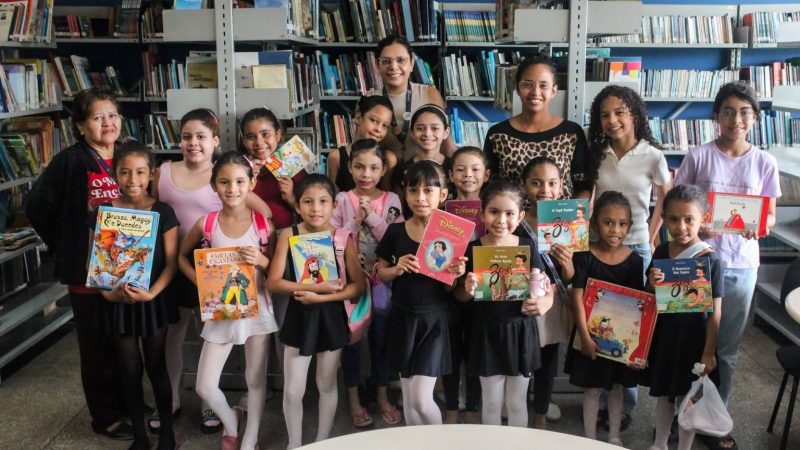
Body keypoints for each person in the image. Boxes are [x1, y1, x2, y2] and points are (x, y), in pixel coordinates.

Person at [673, 81, 780, 450]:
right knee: (691, 344)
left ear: (754, 117)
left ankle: (715, 423)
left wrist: (757, 227)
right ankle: (682, 416)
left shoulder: (765, 162)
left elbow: (769, 219)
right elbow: (677, 205)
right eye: (729, 111)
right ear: (716, 116)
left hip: (740, 266)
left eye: (745, 112)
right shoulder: (698, 157)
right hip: (698, 261)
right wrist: (696, 223)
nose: (737, 119)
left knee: (726, 351)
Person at [25, 88, 134, 440]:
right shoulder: (71, 161)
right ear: (81, 126)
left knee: (124, 340)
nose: (108, 123)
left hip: (127, 265)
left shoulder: (126, 155)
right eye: (98, 117)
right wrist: (65, 243)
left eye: (113, 115)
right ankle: (107, 416)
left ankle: (128, 402)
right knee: (97, 345)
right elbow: (36, 205)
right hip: (89, 271)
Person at [153, 108, 271, 434]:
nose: (194, 143)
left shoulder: (235, 190)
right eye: (187, 136)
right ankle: (176, 400)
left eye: (201, 137)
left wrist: (262, 254)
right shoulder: (164, 173)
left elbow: (265, 220)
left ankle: (217, 412)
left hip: (234, 285)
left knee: (226, 350)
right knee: (176, 336)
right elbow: (152, 215)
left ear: (214, 141)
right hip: (188, 270)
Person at [178, 151, 279, 450]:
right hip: (220, 310)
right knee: (204, 384)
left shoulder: (263, 226)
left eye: (239, 181)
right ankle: (232, 422)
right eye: (224, 182)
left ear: (250, 184)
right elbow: (182, 257)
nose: (232, 188)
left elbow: (276, 269)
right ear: (214, 185)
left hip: (256, 309)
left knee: (255, 379)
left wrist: (261, 259)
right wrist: (199, 281)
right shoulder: (207, 224)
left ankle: (250, 436)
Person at [587, 84, 671, 428]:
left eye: (620, 112)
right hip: (598, 245)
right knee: (600, 320)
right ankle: (599, 393)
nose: (612, 120)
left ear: (635, 113)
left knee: (631, 325)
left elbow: (665, 198)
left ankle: (624, 404)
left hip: (636, 246)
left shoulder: (652, 155)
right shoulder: (597, 153)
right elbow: (589, 199)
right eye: (605, 115)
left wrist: (650, 237)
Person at [267, 174, 366, 449]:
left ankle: (322, 442)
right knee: (293, 389)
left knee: (326, 383)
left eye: (323, 201)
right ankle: (294, 444)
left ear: (335, 205)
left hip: (331, 317)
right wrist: (310, 290)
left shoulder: (343, 237)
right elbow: (273, 282)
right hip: (299, 317)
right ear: (297, 206)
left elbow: (357, 287)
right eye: (308, 202)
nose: (315, 208)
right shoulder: (289, 235)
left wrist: (319, 297)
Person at [95, 141, 180, 450]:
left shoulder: (163, 211)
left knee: (157, 365)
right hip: (117, 300)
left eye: (140, 172)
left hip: (153, 301)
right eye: (125, 173)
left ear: (151, 174)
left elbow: (171, 263)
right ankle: (141, 438)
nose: (133, 180)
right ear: (114, 173)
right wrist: (109, 295)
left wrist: (152, 293)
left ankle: (168, 434)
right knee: (128, 368)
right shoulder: (104, 212)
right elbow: (99, 265)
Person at [455, 180, 554, 428]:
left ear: (520, 216)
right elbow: (460, 297)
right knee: (490, 401)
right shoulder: (473, 248)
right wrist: (467, 289)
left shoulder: (527, 246)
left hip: (520, 331)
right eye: (494, 212)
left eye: (509, 213)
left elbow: (543, 286)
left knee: (517, 402)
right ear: (482, 214)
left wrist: (540, 301)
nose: (501, 220)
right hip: (486, 332)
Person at [376, 161, 467, 425]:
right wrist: (397, 269)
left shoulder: (451, 233)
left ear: (443, 195)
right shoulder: (395, 231)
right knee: (408, 399)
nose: (421, 198)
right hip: (403, 318)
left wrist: (456, 274)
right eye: (413, 190)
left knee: (420, 399)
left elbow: (450, 290)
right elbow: (380, 272)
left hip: (434, 321)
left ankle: (439, 441)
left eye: (429, 190)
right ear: (405, 194)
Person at [329, 140, 404, 428]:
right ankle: (353, 398)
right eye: (359, 166)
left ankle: (382, 394)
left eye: (373, 167)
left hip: (383, 280)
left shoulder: (392, 200)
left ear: (383, 169)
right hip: (352, 280)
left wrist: (370, 216)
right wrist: (352, 223)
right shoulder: (341, 199)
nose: (366, 173)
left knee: (382, 340)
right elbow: (335, 238)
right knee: (353, 341)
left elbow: (394, 237)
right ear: (349, 167)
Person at [643, 184, 723, 450]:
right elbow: (649, 295)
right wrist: (652, 284)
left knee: (690, 399)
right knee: (664, 394)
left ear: (704, 219)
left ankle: (684, 447)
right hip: (666, 335)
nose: (681, 226)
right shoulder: (662, 251)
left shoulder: (710, 260)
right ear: (664, 220)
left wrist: (708, 352)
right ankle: (660, 443)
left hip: (695, 339)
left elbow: (715, 311)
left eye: (689, 219)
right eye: (674, 219)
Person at [564, 191, 644, 448]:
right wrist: (585, 338)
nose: (615, 230)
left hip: (619, 341)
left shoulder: (635, 260)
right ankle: (589, 438)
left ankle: (613, 436)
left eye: (622, 224)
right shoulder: (583, 256)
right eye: (608, 222)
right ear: (595, 223)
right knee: (591, 389)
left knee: (617, 388)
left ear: (630, 226)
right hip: (589, 337)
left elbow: (638, 305)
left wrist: (635, 348)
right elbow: (577, 297)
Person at [483, 52, 592, 199]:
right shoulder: (497, 135)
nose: (535, 92)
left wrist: (573, 218)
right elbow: (489, 188)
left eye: (543, 85)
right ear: (517, 88)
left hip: (559, 219)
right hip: (512, 220)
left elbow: (583, 187)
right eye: (527, 84)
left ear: (554, 90)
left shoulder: (572, 133)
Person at [517, 156, 575, 429]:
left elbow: (573, 278)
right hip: (522, 303)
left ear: (562, 186)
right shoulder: (515, 222)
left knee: (548, 362)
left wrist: (568, 264)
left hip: (553, 305)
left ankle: (540, 414)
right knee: (521, 359)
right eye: (536, 183)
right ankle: (517, 406)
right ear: (524, 185)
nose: (544, 189)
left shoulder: (570, 223)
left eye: (552, 183)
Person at [443, 146, 490, 424]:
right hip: (448, 290)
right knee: (451, 351)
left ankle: (473, 408)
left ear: (486, 175)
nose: (468, 175)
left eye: (475, 169)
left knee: (475, 351)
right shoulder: (442, 209)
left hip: (483, 291)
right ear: (450, 175)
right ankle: (451, 408)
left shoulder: (494, 209)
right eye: (460, 169)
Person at [373, 34, 456, 160]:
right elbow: (359, 147)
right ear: (377, 65)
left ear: (411, 63)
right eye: (386, 61)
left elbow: (446, 142)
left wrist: (459, 166)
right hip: (384, 175)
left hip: (424, 174)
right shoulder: (369, 101)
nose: (393, 67)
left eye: (401, 60)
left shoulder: (430, 94)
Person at [240, 106, 307, 230]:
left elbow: (313, 214)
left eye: (265, 134)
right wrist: (246, 178)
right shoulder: (238, 167)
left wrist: (291, 198)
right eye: (250, 137)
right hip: (250, 237)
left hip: (286, 234)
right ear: (244, 140)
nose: (259, 142)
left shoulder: (292, 163)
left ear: (277, 135)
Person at [390, 104, 453, 217]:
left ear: (446, 132)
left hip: (449, 230)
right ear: (412, 133)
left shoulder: (454, 167)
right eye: (420, 128)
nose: (427, 134)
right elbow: (398, 210)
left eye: (434, 128)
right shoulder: (402, 169)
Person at [327, 95, 398, 192]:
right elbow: (331, 195)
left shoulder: (389, 159)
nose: (378, 129)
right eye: (373, 120)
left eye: (385, 125)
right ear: (359, 117)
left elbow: (388, 196)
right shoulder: (336, 157)